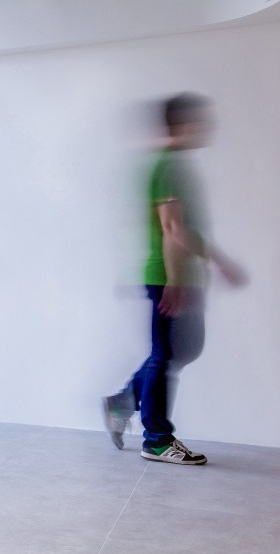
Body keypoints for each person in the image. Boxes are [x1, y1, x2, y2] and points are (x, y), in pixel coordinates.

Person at [103, 93, 245, 464]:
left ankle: (122, 402)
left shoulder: (179, 166)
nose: (206, 128)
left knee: (182, 350)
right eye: (199, 121)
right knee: (166, 357)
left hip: (182, 276)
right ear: (181, 125)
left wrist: (208, 266)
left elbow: (184, 230)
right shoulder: (170, 167)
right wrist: (177, 280)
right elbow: (173, 229)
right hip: (169, 276)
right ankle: (156, 439)